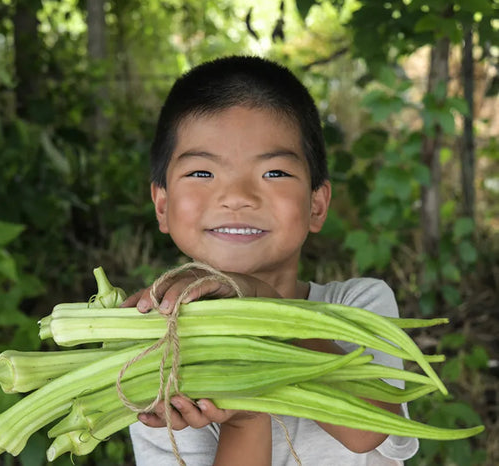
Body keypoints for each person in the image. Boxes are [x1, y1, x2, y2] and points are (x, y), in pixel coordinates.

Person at [121, 55, 419, 465]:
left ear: (317, 205)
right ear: (162, 205)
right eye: (202, 173)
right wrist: (245, 419)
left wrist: (264, 305)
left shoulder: (358, 307)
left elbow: (368, 430)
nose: (238, 195)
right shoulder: (155, 357)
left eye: (275, 173)